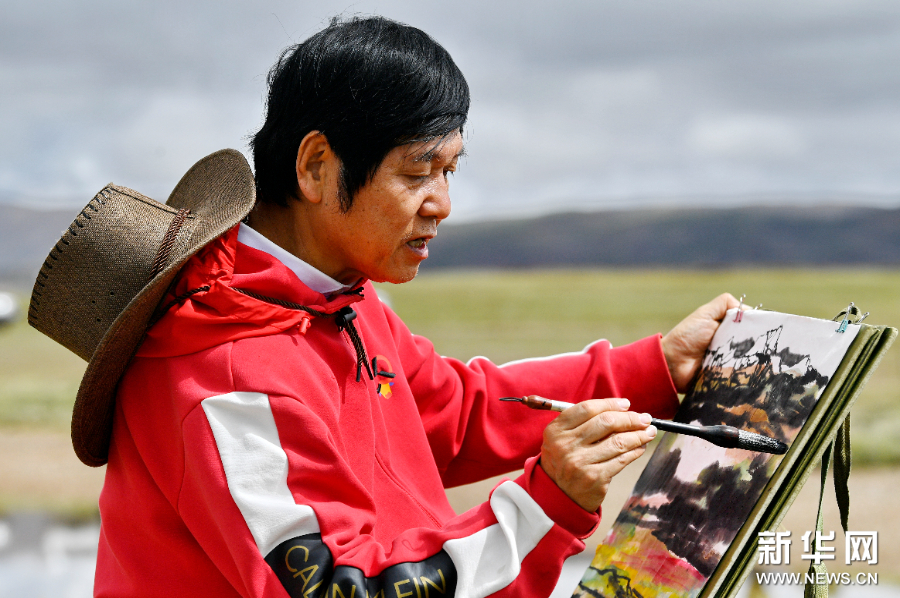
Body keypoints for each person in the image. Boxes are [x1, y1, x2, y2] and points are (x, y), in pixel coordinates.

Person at [29, 15, 739, 598]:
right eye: (417, 171)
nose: (442, 204)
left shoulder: (334, 298)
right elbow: (346, 589)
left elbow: (455, 413)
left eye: (449, 170)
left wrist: (658, 367)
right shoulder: (223, 377)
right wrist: (545, 502)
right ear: (316, 166)